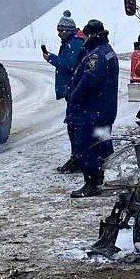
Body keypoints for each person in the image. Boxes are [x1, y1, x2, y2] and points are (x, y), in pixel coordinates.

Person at [65, 19, 119, 199]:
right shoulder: (108, 51)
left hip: (91, 112)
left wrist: (74, 99)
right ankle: (100, 176)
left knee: (84, 146)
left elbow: (89, 82)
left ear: (90, 35)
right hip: (104, 110)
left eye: (85, 36)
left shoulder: (96, 56)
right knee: (102, 143)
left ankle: (92, 182)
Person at [41, 10, 84, 174]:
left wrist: (51, 58)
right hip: (72, 89)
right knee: (73, 125)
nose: (59, 34)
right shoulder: (71, 42)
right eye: (58, 30)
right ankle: (76, 157)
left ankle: (78, 158)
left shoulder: (74, 43)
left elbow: (70, 64)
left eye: (61, 31)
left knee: (74, 126)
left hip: (74, 89)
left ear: (69, 30)